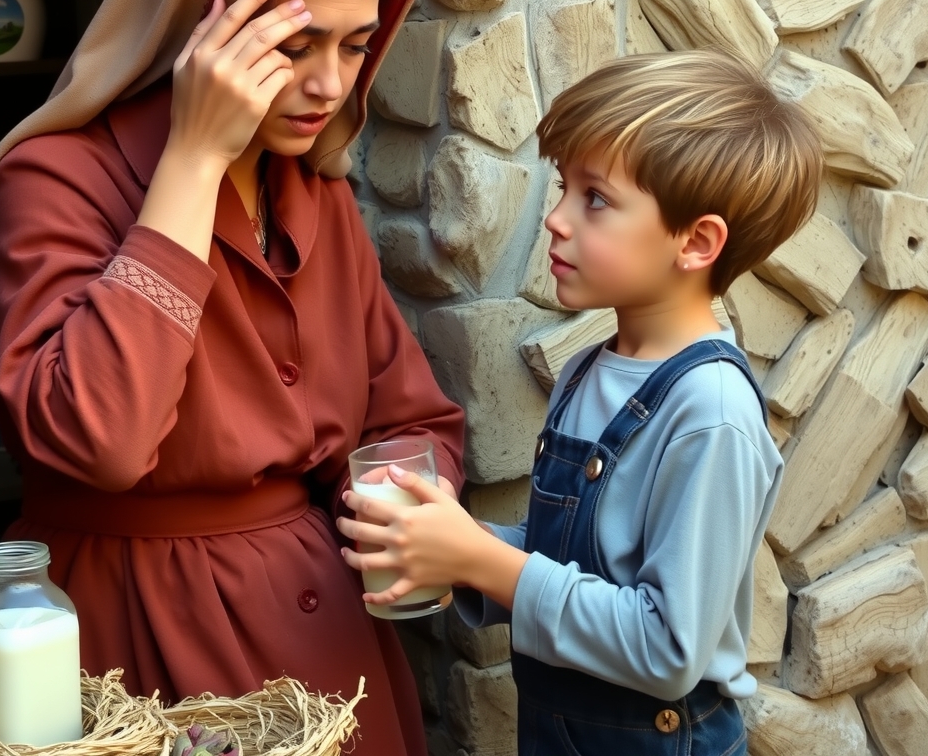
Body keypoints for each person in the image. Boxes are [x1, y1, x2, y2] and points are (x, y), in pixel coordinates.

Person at [0, 0, 465, 756]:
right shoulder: (53, 181)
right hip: (140, 648)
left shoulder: (314, 192)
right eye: (293, 43)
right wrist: (192, 162)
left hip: (336, 662)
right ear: (205, 19)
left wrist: (405, 506)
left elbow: (409, 416)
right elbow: (99, 439)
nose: (330, 87)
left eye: (355, 46)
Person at [338, 49, 825, 755]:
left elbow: (666, 648)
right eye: (564, 187)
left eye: (595, 198)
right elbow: (579, 568)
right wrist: (446, 544)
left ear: (696, 242)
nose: (556, 219)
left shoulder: (711, 413)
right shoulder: (588, 372)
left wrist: (483, 560)